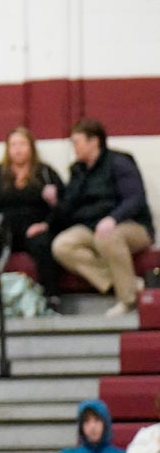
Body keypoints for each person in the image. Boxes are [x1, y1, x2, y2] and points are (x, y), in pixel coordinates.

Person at [52, 118, 154, 317]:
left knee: (107, 236)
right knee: (62, 245)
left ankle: (128, 300)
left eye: (77, 141)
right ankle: (127, 283)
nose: (74, 146)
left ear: (94, 141)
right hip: (92, 226)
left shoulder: (119, 162)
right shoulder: (78, 170)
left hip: (131, 226)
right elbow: (70, 206)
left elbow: (135, 198)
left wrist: (113, 219)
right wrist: (55, 202)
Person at [0, 127, 66, 310]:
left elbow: (63, 205)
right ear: (7, 149)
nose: (18, 149)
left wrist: (46, 224)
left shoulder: (45, 173)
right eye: (13, 145)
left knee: (44, 245)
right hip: (4, 229)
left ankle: (52, 296)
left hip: (34, 227)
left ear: (31, 147)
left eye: (22, 144)